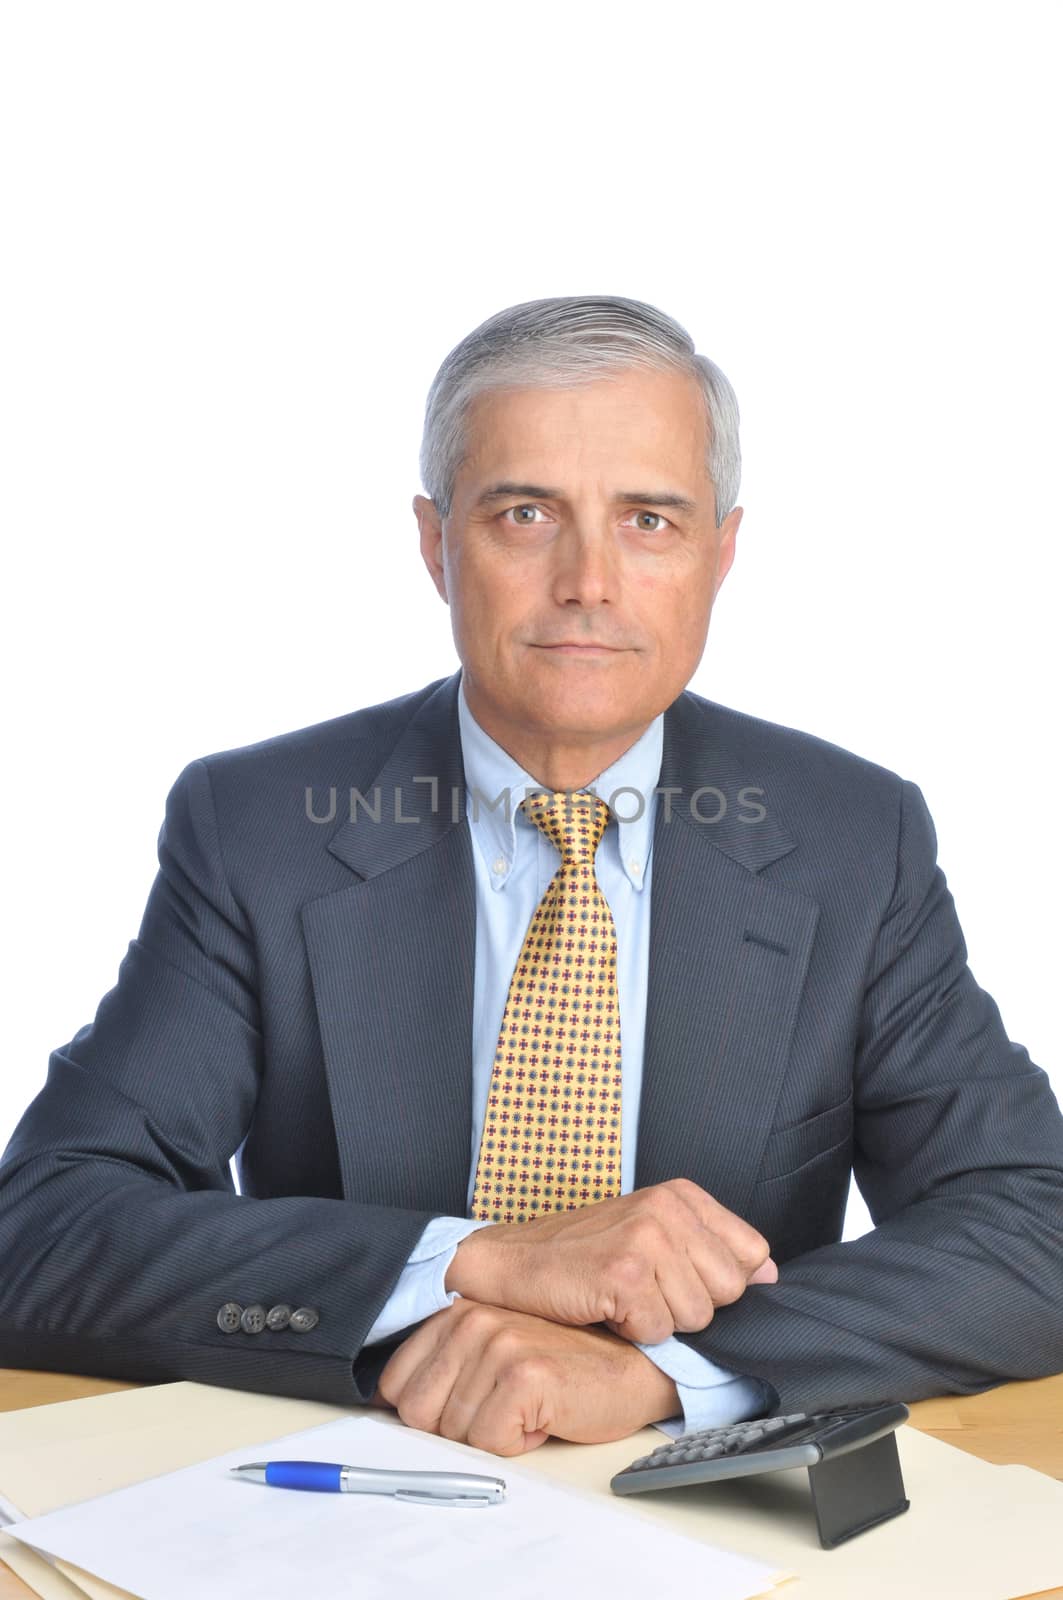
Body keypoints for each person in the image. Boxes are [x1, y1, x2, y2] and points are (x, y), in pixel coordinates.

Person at [2, 295, 1061, 1461]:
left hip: (707, 1511)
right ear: (434, 541)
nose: (588, 580)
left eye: (649, 520)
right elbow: (44, 1228)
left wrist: (662, 1370)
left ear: (721, 551)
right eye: (524, 513)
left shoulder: (856, 838)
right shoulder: (259, 827)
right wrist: (471, 1260)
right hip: (348, 1486)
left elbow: (1033, 1224)